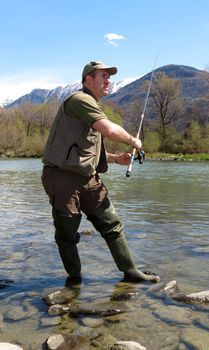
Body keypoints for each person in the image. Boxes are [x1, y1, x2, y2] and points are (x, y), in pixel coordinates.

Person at [41, 61, 160, 283]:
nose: (109, 81)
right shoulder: (79, 100)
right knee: (67, 235)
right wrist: (134, 141)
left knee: (112, 224)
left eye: (109, 76)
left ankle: (131, 272)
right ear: (88, 79)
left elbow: (87, 149)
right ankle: (74, 282)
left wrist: (116, 159)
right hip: (62, 178)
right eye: (103, 76)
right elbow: (109, 129)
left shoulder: (91, 106)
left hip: (89, 179)